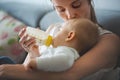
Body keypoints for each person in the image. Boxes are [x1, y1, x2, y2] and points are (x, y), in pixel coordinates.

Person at [0, 0, 119, 80]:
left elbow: (69, 75)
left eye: (76, 5)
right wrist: (32, 51)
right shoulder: (53, 28)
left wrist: (5, 70)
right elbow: (28, 70)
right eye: (61, 9)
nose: (70, 15)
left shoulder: (108, 41)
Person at [24, 19, 99, 72]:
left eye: (60, 30)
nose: (55, 34)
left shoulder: (67, 51)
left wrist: (37, 63)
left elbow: (65, 61)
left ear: (69, 36)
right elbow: (50, 62)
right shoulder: (58, 50)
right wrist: (36, 53)